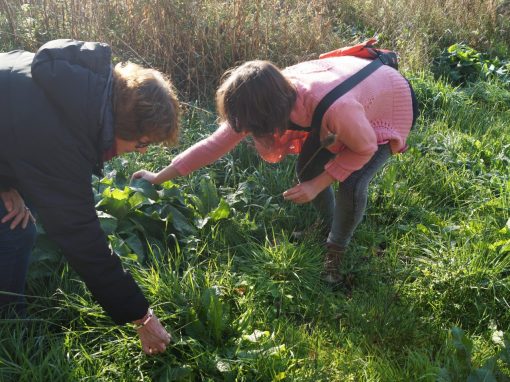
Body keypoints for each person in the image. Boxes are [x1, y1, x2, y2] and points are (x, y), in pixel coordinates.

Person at [132, 55, 418, 285]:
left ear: (269, 114)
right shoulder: (265, 98)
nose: (249, 132)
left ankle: (336, 248)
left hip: (387, 106)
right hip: (349, 107)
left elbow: (364, 148)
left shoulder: (333, 108)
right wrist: (159, 176)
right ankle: (328, 225)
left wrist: (318, 185)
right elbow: (212, 145)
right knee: (307, 168)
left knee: (352, 183)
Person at [0, 39, 180, 355]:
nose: (141, 152)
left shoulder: (77, 87)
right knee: (13, 231)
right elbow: (82, 240)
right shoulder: (61, 140)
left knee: (17, 225)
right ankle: (9, 329)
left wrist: (6, 185)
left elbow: (11, 131)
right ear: (121, 127)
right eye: (142, 143)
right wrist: (141, 316)